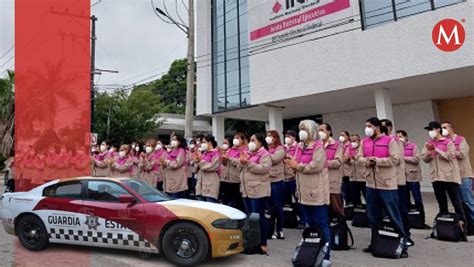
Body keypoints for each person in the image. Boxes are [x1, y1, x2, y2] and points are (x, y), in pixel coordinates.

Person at [358, 117, 408, 257]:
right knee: (373, 216)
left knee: (393, 214)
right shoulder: (364, 141)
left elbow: (395, 159)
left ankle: (402, 243)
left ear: (377, 127)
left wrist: (377, 161)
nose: (366, 129)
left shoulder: (390, 140)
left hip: (387, 184)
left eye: (369, 126)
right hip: (370, 184)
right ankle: (375, 242)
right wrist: (365, 161)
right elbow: (359, 157)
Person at [285, 120, 331, 266]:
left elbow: (315, 166)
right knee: (310, 224)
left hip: (316, 191)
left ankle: (326, 255)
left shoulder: (318, 147)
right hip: (303, 191)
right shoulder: (300, 146)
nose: (301, 132)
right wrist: (292, 164)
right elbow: (296, 164)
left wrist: (297, 166)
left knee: (321, 224)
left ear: (311, 131)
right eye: (300, 129)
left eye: (304, 129)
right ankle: (313, 253)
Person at [421, 121, 467, 230]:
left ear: (438, 129)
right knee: (442, 203)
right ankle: (445, 227)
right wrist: (428, 152)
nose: (430, 132)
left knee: (457, 203)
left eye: (431, 130)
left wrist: (436, 149)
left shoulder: (448, 142)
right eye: (428, 130)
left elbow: (450, 156)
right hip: (436, 177)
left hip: (449, 177)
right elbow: (424, 158)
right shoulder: (428, 143)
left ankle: (463, 227)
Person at [381, 119, 412, 245]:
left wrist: (378, 159)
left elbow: (396, 159)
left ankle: (406, 235)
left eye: (383, 127)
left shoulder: (396, 141)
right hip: (383, 182)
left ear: (389, 128)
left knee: (401, 209)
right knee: (385, 211)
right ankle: (386, 236)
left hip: (397, 181)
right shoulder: (378, 142)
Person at [240, 133, 272, 255]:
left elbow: (263, 168)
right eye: (250, 140)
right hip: (247, 189)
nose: (251, 143)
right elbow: (241, 165)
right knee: (250, 217)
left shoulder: (265, 154)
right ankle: (252, 242)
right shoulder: (249, 153)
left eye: (253, 140)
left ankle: (262, 244)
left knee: (258, 217)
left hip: (258, 190)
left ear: (260, 142)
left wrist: (247, 163)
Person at [442, 121, 474, 226]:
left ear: (451, 128)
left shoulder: (460, 139)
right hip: (452, 177)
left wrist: (449, 151)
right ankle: (465, 225)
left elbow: (462, 154)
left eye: (444, 127)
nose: (442, 130)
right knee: (458, 203)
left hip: (464, 175)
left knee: (468, 201)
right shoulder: (444, 142)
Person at [396, 130, 425, 216]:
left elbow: (416, 159)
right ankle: (410, 217)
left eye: (400, 136)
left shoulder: (413, 146)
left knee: (417, 197)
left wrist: (403, 157)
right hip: (402, 177)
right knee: (405, 198)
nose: (399, 139)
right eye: (397, 137)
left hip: (413, 176)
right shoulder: (397, 148)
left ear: (406, 137)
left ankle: (420, 216)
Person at [319, 123, 344, 217]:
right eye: (319, 130)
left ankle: (340, 228)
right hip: (320, 182)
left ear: (329, 131)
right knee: (324, 210)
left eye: (322, 130)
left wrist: (325, 163)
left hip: (332, 180)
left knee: (336, 207)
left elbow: (338, 162)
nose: (320, 132)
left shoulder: (337, 145)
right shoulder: (317, 145)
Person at [284, 130, 306, 229]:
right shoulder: (283, 147)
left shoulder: (298, 147)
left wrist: (289, 156)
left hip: (294, 177)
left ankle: (303, 220)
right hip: (284, 178)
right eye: (286, 136)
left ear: (294, 137)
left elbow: (298, 160)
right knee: (286, 201)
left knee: (298, 200)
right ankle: (289, 219)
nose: (287, 138)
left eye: (289, 136)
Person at [266, 130, 286, 239]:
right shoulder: (266, 149)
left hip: (276, 180)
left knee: (278, 206)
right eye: (267, 136)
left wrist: (264, 154)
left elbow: (274, 159)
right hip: (267, 180)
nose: (268, 138)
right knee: (270, 207)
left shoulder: (280, 149)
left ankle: (280, 229)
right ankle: (270, 229)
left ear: (275, 138)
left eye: (270, 136)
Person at [220, 132, 247, 212]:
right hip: (228, 179)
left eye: (238, 138)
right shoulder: (230, 150)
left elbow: (240, 164)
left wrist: (230, 159)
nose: (236, 140)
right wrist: (224, 160)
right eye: (235, 138)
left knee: (238, 203)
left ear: (242, 140)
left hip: (237, 180)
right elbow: (224, 164)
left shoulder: (244, 150)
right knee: (226, 201)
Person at [160, 134, 188, 198]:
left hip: (177, 178)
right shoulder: (171, 151)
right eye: (172, 139)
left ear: (179, 142)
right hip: (169, 177)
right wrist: (163, 162)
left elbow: (176, 164)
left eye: (175, 139)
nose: (173, 141)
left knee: (175, 198)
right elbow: (164, 162)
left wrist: (166, 161)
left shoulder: (181, 151)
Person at [194, 134, 221, 203]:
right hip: (200, 185)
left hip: (210, 184)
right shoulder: (203, 154)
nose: (202, 144)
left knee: (210, 205)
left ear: (209, 142)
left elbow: (212, 166)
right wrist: (196, 161)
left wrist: (200, 161)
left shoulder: (216, 153)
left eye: (204, 142)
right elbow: (196, 168)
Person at [349, 134, 366, 206]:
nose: (353, 143)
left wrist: (355, 158)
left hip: (363, 177)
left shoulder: (363, 149)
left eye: (354, 141)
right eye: (351, 141)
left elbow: (364, 160)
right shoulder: (349, 149)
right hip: (353, 177)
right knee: (355, 197)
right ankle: (358, 212)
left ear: (359, 141)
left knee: (367, 196)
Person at [340, 131, 353, 205]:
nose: (341, 136)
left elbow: (348, 158)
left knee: (350, 191)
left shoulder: (350, 146)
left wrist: (343, 158)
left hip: (350, 172)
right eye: (340, 135)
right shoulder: (340, 146)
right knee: (345, 192)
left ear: (347, 136)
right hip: (342, 172)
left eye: (343, 135)